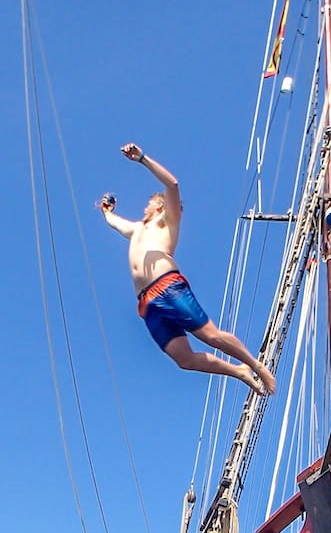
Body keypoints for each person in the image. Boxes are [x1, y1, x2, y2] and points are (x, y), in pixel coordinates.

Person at [100, 143, 276, 397]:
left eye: (149, 204)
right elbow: (115, 223)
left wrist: (142, 159)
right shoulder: (138, 229)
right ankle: (239, 371)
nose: (144, 208)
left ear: (159, 206)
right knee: (184, 359)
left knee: (211, 336)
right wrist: (107, 212)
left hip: (168, 288)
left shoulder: (167, 223)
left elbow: (172, 184)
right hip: (147, 304)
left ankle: (256, 365)